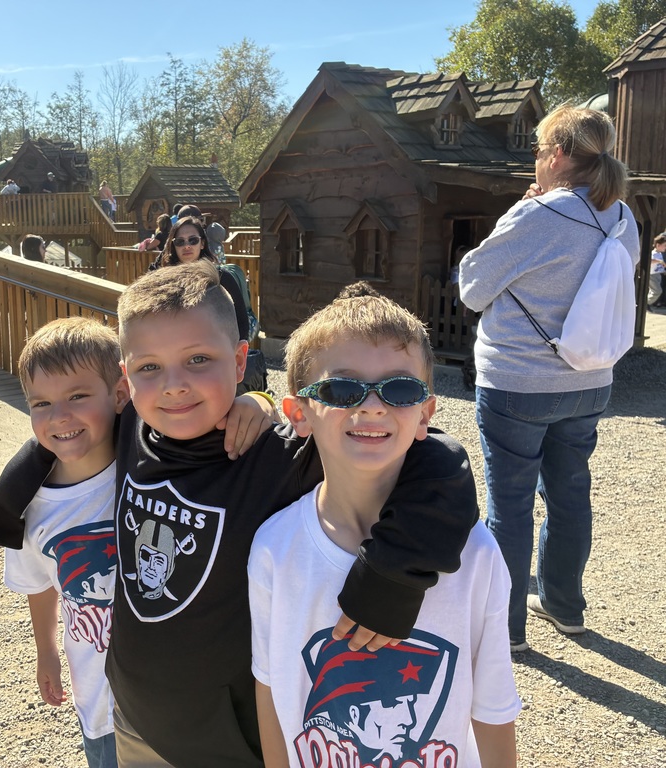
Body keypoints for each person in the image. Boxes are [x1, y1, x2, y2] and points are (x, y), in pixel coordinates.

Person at [0, 261, 479, 767]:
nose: (174, 385)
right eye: (150, 367)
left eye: (198, 359)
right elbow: (57, 427)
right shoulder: (129, 426)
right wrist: (5, 507)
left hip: (229, 744)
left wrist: (395, 571)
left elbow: (437, 455)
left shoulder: (283, 453)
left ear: (240, 361)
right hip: (133, 716)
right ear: (126, 379)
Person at [249, 284, 519, 768]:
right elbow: (270, 691)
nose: (373, 405)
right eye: (342, 388)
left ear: (425, 414)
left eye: (399, 389)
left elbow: (493, 704)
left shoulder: (476, 554)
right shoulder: (274, 549)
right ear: (299, 414)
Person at [459, 105, 640, 652]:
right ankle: (565, 606)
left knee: (509, 507)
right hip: (589, 379)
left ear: (557, 155)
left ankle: (508, 630)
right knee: (569, 493)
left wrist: (514, 216)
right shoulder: (623, 217)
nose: (535, 161)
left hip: (518, 381)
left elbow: (471, 288)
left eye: (539, 151)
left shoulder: (537, 216)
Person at [4, 318, 129, 768]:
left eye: (78, 396)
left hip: (176, 697)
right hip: (100, 700)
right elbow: (39, 583)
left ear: (119, 392)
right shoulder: (28, 504)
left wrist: (256, 400)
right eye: (41, 403)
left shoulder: (155, 465)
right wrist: (47, 652)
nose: (59, 416)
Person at [149, 216, 250, 341]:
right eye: (180, 242)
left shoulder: (222, 278)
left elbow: (241, 323)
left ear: (202, 243)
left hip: (214, 350)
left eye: (193, 240)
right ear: (174, 245)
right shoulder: (164, 281)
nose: (187, 246)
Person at [648, 234, 665, 309]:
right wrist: (659, 261)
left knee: (653, 291)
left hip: (658, 275)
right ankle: (647, 303)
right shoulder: (653, 253)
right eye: (664, 245)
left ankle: (648, 304)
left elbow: (659, 265)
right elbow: (650, 261)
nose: (665, 248)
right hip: (652, 275)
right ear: (658, 245)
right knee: (657, 291)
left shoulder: (659, 254)